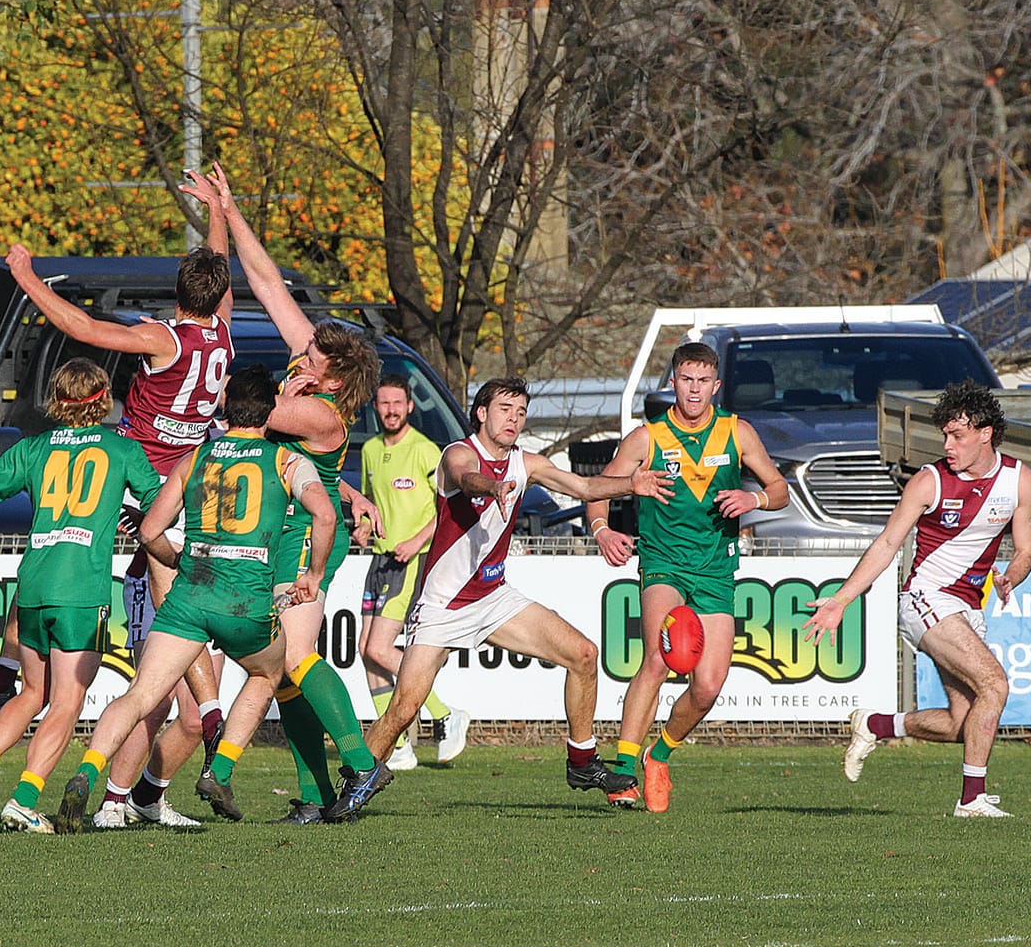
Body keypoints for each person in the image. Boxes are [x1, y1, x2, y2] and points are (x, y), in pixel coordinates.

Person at [335, 378, 670, 820]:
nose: (514, 418)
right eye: (505, 409)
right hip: (443, 604)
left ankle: (582, 761)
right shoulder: (458, 453)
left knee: (584, 654)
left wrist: (632, 483)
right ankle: (353, 786)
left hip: (493, 598)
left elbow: (586, 490)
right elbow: (464, 476)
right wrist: (487, 488)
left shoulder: (526, 462)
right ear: (481, 413)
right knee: (404, 707)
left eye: (521, 412)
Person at [3, 222, 232, 818]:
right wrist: (219, 214)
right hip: (194, 496)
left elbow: (82, 328)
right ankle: (140, 783)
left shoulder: (166, 338)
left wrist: (27, 278)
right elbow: (219, 277)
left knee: (163, 650)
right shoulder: (224, 336)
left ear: (179, 292)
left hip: (146, 491)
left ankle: (142, 780)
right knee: (173, 657)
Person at [55, 366, 337, 832]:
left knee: (141, 695)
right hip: (244, 601)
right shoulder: (284, 461)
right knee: (269, 672)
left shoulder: (195, 458)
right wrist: (314, 573)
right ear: (270, 412)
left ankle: (86, 772)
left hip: (189, 596)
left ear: (227, 410)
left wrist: (180, 561)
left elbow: (149, 531)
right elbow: (324, 515)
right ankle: (218, 771)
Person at [210, 162, 386, 824]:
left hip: (310, 534)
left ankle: (364, 766)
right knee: (283, 670)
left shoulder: (319, 412)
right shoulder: (311, 375)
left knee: (298, 656)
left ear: (336, 378)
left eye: (314, 358)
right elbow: (264, 281)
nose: (302, 354)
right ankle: (315, 795)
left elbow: (251, 418)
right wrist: (228, 210)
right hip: (279, 530)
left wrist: (206, 381)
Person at [806, 381, 1031, 817]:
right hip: (925, 599)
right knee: (996, 685)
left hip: (968, 608)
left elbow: (1026, 550)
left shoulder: (1018, 479)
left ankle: (875, 725)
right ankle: (972, 800)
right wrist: (841, 599)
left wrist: (1011, 575)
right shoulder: (930, 481)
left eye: (958, 436)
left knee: (961, 724)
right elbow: (886, 544)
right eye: (945, 436)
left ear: (985, 434)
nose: (948, 445)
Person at [583, 340, 789, 812]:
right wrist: (601, 530)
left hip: (716, 569)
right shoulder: (646, 438)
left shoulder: (738, 433)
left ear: (716, 387)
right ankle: (622, 772)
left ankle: (660, 755)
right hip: (663, 563)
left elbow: (779, 490)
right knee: (658, 656)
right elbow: (598, 490)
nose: (694, 390)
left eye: (703, 382)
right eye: (686, 380)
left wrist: (752, 499)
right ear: (672, 382)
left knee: (709, 685)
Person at [0, 361, 162, 832]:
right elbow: (158, 497)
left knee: (32, 692)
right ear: (102, 397)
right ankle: (25, 799)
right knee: (67, 703)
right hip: (80, 590)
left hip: (32, 584)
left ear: (56, 398)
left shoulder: (33, 449)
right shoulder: (121, 449)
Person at [357, 374, 468, 772]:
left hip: (412, 559)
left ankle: (443, 713)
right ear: (376, 407)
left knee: (378, 648)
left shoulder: (425, 452)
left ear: (409, 407)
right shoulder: (369, 449)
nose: (390, 410)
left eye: (397, 403)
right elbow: (372, 500)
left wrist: (415, 541)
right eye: (383, 403)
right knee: (366, 654)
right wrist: (365, 524)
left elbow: (447, 511)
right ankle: (398, 744)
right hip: (381, 558)